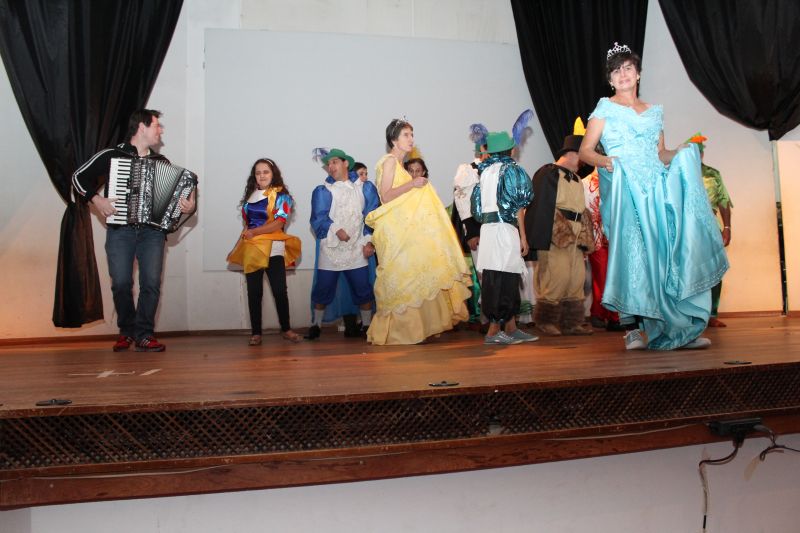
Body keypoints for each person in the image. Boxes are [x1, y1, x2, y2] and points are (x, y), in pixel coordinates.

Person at [578, 43, 728, 350]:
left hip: (655, 191)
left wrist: (682, 152)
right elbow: (585, 151)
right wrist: (606, 161)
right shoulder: (604, 109)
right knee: (630, 253)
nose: (623, 74)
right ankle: (631, 328)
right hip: (623, 188)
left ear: (638, 74)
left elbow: (660, 154)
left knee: (662, 255)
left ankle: (675, 328)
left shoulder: (654, 112)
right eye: (616, 71)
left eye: (628, 68)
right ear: (610, 79)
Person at [72, 109, 196, 352]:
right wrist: (97, 200)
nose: (160, 130)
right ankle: (127, 331)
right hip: (121, 230)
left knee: (151, 283)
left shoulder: (161, 162)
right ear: (141, 127)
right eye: (157, 126)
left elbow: (172, 204)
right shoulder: (112, 155)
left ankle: (144, 334)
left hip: (153, 233)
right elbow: (78, 177)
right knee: (121, 282)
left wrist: (187, 207)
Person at [364, 119, 472, 345]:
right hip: (396, 234)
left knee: (415, 277)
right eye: (406, 134)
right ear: (393, 139)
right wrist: (413, 185)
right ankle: (400, 330)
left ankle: (418, 329)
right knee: (402, 278)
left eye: (412, 134)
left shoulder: (400, 164)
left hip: (406, 232)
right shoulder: (389, 161)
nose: (411, 139)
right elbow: (386, 196)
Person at [525, 125, 595, 336]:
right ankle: (546, 320)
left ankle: (571, 322)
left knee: (575, 279)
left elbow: (581, 209)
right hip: (556, 235)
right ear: (572, 153)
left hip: (576, 237)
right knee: (556, 276)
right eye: (583, 156)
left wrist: (584, 235)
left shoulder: (576, 179)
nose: (584, 162)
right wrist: (556, 232)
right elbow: (540, 207)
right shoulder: (548, 173)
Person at [227, 158, 302, 345]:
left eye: (266, 172)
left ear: (273, 173)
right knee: (254, 292)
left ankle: (286, 329)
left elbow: (279, 223)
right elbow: (247, 227)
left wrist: (255, 232)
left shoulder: (281, 196)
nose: (262, 175)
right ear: (254, 176)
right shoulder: (250, 197)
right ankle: (256, 333)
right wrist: (236, 247)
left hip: (273, 249)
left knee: (279, 290)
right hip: (252, 250)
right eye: (258, 172)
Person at [471, 131, 537, 344]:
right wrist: (523, 236)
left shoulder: (485, 172)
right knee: (505, 278)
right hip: (505, 229)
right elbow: (518, 207)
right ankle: (493, 331)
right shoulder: (511, 170)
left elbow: (476, 209)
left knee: (495, 277)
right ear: (511, 150)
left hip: (488, 230)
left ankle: (510, 327)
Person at [307, 149, 380, 339]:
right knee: (323, 288)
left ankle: (366, 325)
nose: (331, 166)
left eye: (335, 162)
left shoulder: (363, 188)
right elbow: (318, 218)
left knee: (362, 288)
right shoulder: (323, 190)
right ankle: (316, 326)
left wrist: (368, 242)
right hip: (331, 250)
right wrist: (336, 229)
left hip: (356, 249)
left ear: (346, 163)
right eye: (328, 164)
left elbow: (372, 216)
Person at [689, 134, 733, 327]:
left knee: (715, 270)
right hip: (688, 228)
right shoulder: (679, 173)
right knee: (691, 271)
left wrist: (727, 228)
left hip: (711, 227)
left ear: (702, 155)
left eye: (699, 152)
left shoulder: (713, 174)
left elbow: (724, 201)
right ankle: (691, 314)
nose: (697, 155)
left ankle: (711, 315)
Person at [582, 167, 625, 331]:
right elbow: (584, 212)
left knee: (616, 277)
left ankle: (600, 313)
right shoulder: (585, 183)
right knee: (603, 277)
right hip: (597, 237)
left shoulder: (617, 180)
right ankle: (610, 316)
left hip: (617, 236)